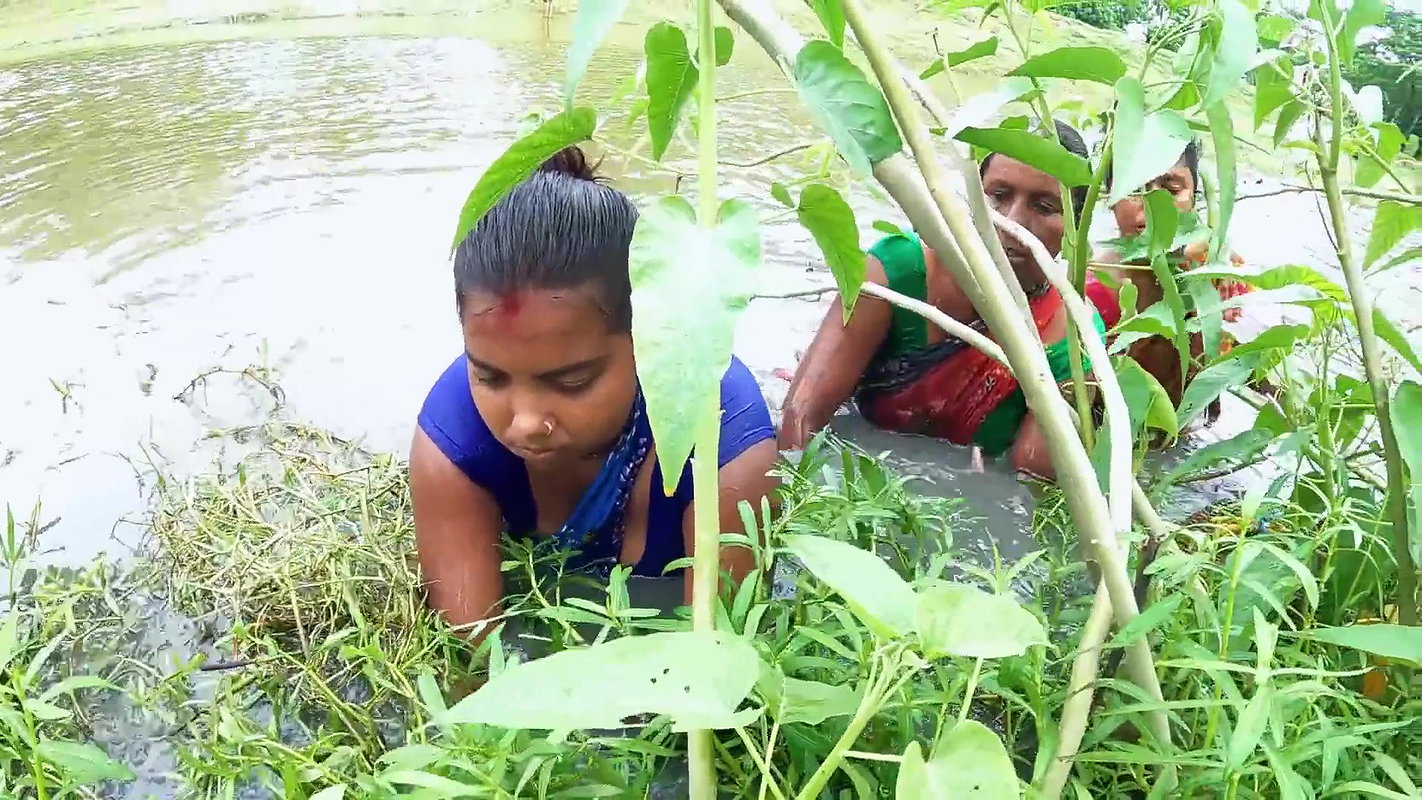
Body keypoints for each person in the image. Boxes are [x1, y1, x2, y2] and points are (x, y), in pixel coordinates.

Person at [410, 146, 779, 636]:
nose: (524, 422)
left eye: (571, 382)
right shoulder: (453, 443)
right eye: (490, 376)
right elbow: (470, 664)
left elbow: (718, 672)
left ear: (651, 335)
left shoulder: (723, 446)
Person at [777, 120, 1112, 478]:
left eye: (1044, 206)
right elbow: (801, 419)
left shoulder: (1072, 340)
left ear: (1078, 224)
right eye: (998, 196)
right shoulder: (897, 271)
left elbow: (1030, 485)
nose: (1012, 222)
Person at [1094, 141, 1252, 410]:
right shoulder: (1093, 288)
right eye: (1135, 188)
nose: (1155, 204)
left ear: (1193, 198)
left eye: (1172, 189)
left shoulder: (1219, 272)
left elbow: (1251, 364)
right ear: (1110, 197)